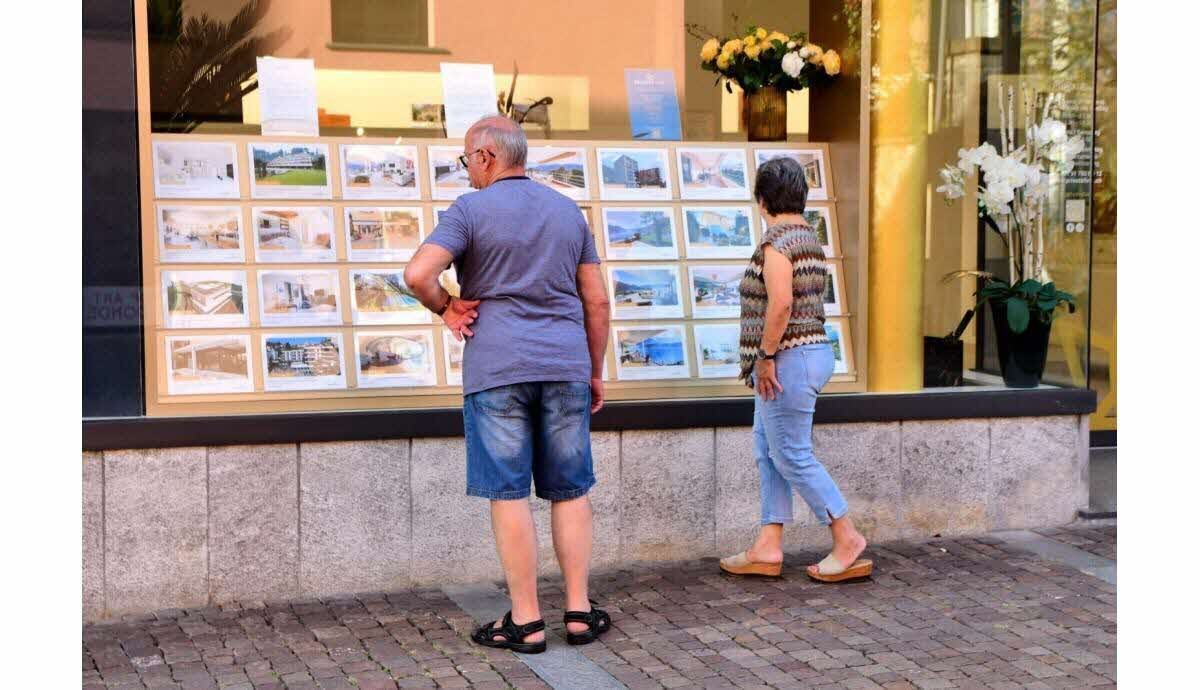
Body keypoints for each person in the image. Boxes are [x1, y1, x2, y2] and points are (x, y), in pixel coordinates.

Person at [404, 116, 613, 653]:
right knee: (570, 489)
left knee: (510, 495)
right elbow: (597, 300)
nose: (466, 171)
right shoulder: (568, 213)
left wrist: (447, 307)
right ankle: (579, 612)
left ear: (487, 157)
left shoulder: (469, 211)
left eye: (465, 161)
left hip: (498, 370)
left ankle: (526, 620)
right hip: (564, 364)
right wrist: (592, 369)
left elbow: (417, 274)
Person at [719, 157, 873, 583]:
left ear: (762, 198)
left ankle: (847, 537)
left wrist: (765, 358)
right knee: (768, 451)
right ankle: (767, 546)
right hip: (807, 354)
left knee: (790, 453)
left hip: (786, 360)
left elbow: (781, 303)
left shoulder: (777, 243)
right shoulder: (808, 236)